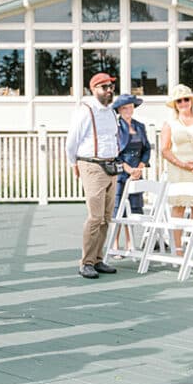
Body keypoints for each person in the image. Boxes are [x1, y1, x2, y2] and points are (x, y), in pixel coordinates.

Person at [66, 73, 120, 280]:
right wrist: (73, 163)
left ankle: (97, 258)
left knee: (106, 218)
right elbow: (72, 141)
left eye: (110, 86)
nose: (109, 90)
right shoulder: (85, 111)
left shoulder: (110, 112)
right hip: (91, 165)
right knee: (95, 217)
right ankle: (86, 262)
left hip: (110, 165)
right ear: (93, 89)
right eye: (104, 87)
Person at [160, 84, 193, 255]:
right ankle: (178, 247)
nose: (183, 103)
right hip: (179, 170)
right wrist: (182, 164)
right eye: (179, 100)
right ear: (175, 104)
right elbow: (165, 150)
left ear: (191, 100)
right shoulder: (170, 123)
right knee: (179, 207)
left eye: (186, 99)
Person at [112, 94, 150, 251]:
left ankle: (130, 243)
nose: (128, 110)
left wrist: (140, 167)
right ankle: (114, 244)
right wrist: (127, 169)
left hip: (137, 172)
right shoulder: (116, 127)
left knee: (133, 208)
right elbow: (114, 152)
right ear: (119, 110)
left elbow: (147, 148)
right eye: (125, 108)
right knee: (118, 208)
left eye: (130, 107)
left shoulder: (140, 126)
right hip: (121, 172)